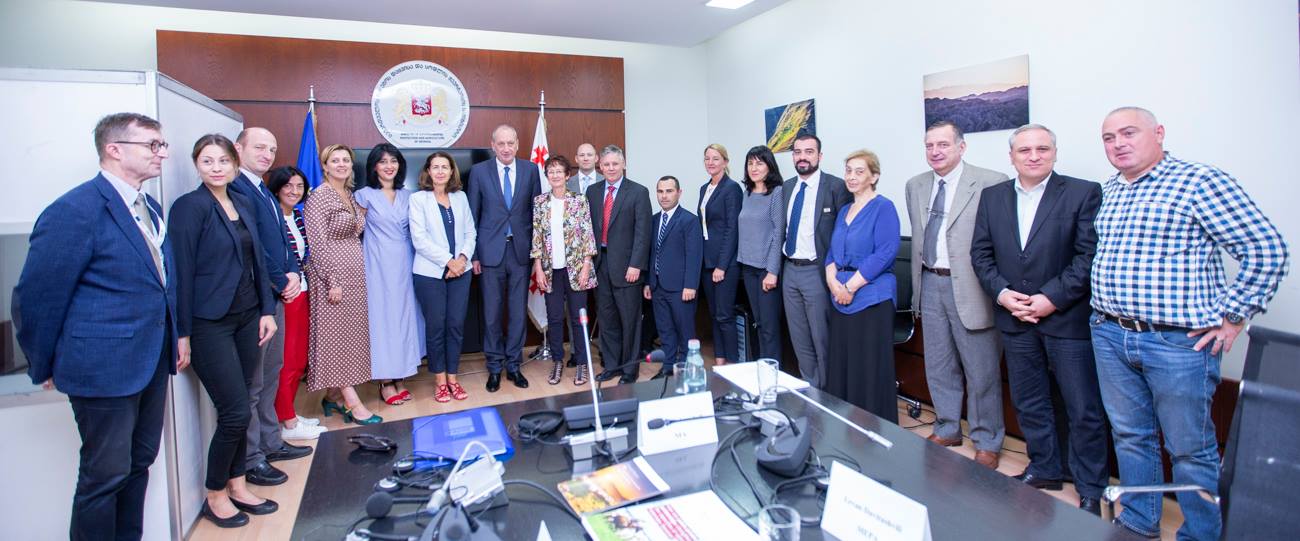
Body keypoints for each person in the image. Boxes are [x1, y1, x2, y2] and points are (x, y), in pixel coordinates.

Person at [1091, 107, 1290, 540]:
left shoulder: (1199, 181)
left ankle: (1201, 535)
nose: (1118, 143)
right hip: (1109, 332)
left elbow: (1267, 249)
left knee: (1189, 450)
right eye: (1109, 137)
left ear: (1159, 133)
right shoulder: (1111, 189)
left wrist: (1234, 316)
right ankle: (1138, 523)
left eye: (1129, 133)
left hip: (1177, 344)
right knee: (1129, 436)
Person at [13, 113, 178, 541]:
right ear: (114, 149)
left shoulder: (150, 208)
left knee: (139, 464)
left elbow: (160, 282)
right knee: (104, 476)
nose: (161, 153)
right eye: (152, 145)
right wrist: (44, 362)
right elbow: (37, 297)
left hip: (150, 360)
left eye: (161, 144)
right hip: (102, 367)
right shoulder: (76, 210)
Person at [969, 124, 1109, 514]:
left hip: (1066, 319)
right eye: (1025, 150)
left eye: (1042, 149)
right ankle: (1045, 467)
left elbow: (1088, 256)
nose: (1034, 156)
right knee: (1030, 401)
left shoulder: (1083, 192)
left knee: (1082, 408)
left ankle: (1090, 486)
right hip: (1014, 317)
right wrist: (1002, 294)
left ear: (1054, 153)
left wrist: (1051, 298)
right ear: (1011, 156)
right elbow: (981, 253)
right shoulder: (993, 197)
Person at [170, 134, 280, 528]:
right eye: (207, 161)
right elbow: (181, 272)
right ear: (197, 165)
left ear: (234, 164)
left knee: (244, 401)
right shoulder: (189, 207)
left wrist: (267, 310)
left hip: (247, 316)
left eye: (222, 161)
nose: (216, 168)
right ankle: (215, 493)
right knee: (234, 411)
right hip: (208, 323)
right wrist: (182, 332)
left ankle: (238, 484)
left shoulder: (242, 202)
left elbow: (258, 262)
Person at [904, 120, 1008, 469]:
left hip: (972, 287)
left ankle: (987, 439)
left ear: (961, 147)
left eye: (943, 145)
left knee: (982, 371)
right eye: (929, 145)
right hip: (929, 282)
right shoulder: (916, 185)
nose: (935, 151)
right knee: (938, 364)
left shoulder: (991, 182)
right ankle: (947, 427)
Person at [228, 127, 310, 487]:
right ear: (238, 148)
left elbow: (282, 240)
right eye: (259, 147)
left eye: (272, 149)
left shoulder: (261, 189)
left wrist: (293, 272)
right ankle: (252, 457)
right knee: (255, 381)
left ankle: (271, 441)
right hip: (259, 296)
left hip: (277, 293)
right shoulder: (235, 187)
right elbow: (253, 245)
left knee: (272, 371)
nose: (267, 154)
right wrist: (281, 278)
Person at [304, 144, 380, 425]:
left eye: (345, 160)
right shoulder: (319, 197)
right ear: (324, 166)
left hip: (355, 276)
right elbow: (317, 244)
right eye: (334, 160)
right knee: (334, 338)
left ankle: (333, 396)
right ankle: (352, 403)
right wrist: (331, 281)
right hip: (331, 277)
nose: (341, 164)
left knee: (349, 336)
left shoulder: (348, 194)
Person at [824, 150, 900, 422]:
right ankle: (844, 424)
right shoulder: (845, 210)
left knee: (868, 368)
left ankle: (871, 428)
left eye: (859, 171)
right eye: (848, 171)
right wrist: (833, 283)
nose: (851, 176)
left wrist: (850, 288)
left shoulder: (884, 207)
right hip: (839, 297)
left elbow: (885, 252)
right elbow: (832, 253)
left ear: (874, 176)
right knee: (843, 364)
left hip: (871, 297)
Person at [467, 124, 541, 392]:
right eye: (501, 144)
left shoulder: (531, 170)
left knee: (518, 313)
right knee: (492, 313)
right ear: (493, 145)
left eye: (511, 143)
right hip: (490, 253)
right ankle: (495, 367)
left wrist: (537, 253)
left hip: (520, 251)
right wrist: (474, 255)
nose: (506, 148)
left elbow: (536, 213)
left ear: (517, 144)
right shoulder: (479, 172)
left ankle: (513, 365)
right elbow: (472, 215)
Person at [355, 143, 424, 404]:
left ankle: (401, 376)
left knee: (405, 319)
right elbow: (354, 231)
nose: (389, 166)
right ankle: (385, 380)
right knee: (382, 321)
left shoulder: (409, 196)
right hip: (376, 264)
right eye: (383, 161)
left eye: (393, 161)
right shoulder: (363, 196)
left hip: (406, 263)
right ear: (374, 166)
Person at [781, 133, 849, 388]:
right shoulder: (787, 187)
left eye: (809, 152)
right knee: (799, 339)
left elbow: (843, 234)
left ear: (819, 156)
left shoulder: (835, 187)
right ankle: (810, 389)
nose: (803, 157)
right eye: (798, 152)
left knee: (822, 338)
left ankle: (829, 393)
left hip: (818, 272)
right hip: (790, 270)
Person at [411, 152, 476, 402]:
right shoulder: (418, 199)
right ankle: (439, 382)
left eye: (444, 167)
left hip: (461, 271)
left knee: (456, 326)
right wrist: (449, 261)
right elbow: (419, 239)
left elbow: (470, 232)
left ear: (451, 171)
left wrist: (462, 259)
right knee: (436, 327)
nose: (440, 171)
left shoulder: (461, 197)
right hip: (430, 274)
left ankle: (453, 379)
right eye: (435, 167)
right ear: (428, 171)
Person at [266, 166, 326, 441]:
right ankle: (288, 423)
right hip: (285, 296)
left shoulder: (299, 217)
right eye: (288, 186)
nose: (294, 191)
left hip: (303, 293)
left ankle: (286, 413)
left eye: (299, 186)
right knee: (286, 360)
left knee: (299, 359)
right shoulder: (271, 218)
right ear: (277, 188)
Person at [588, 145, 653, 384]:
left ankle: (629, 370)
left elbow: (643, 233)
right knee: (607, 320)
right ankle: (612, 366)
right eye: (606, 164)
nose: (611, 168)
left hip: (628, 268)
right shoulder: (593, 192)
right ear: (600, 166)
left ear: (624, 164)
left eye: (615, 163)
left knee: (630, 321)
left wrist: (636, 265)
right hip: (600, 264)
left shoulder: (638, 192)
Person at [532, 155, 599, 385]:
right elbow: (537, 237)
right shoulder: (540, 202)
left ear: (567, 175)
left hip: (577, 269)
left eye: (559, 171)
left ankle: (582, 363)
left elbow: (588, 235)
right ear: (547, 176)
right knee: (554, 318)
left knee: (579, 319)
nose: (555, 175)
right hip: (551, 271)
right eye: (551, 171)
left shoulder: (579, 200)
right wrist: (538, 268)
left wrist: (586, 266)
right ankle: (557, 361)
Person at [645, 176, 704, 378]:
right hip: (658, 286)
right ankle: (668, 366)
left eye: (669, 191)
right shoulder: (654, 220)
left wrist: (691, 285)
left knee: (685, 331)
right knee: (665, 330)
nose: (664, 196)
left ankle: (687, 369)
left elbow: (694, 256)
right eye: (660, 191)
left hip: (681, 287)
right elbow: (652, 253)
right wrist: (648, 282)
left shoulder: (689, 220)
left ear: (679, 193)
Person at [737, 145, 786, 364]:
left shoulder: (777, 193)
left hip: (767, 270)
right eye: (750, 163)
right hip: (748, 268)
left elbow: (778, 233)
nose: (754, 168)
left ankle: (773, 372)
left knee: (769, 327)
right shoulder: (747, 193)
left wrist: (772, 271)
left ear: (769, 166)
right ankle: (762, 368)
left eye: (759, 163)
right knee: (758, 322)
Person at [698, 144, 744, 364]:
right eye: (707, 158)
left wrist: (721, 266)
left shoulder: (732, 188)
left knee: (725, 315)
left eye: (715, 158)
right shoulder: (704, 188)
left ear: (725, 162)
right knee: (714, 314)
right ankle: (720, 360)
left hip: (724, 263)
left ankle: (733, 365)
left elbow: (732, 229)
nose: (711, 162)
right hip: (707, 261)